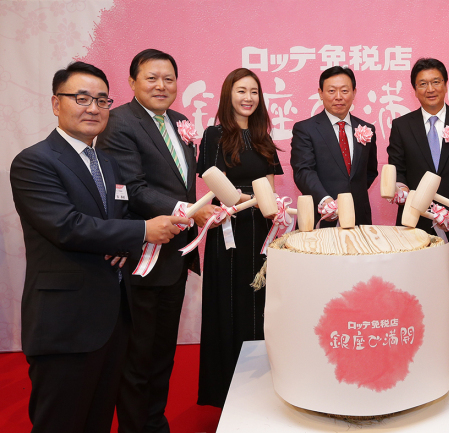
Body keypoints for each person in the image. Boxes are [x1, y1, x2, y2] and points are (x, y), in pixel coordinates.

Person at [10, 61, 187, 433]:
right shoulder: (34, 162)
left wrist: (127, 236)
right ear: (56, 103)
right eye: (81, 98)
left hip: (113, 320)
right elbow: (66, 227)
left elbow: (115, 218)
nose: (92, 108)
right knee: (61, 421)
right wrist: (141, 232)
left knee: (98, 419)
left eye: (102, 100)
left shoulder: (107, 163)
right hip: (65, 324)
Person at [96, 49, 214, 433]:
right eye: (152, 78)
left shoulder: (180, 121)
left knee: (163, 351)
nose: (161, 85)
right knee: (138, 355)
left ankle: (154, 422)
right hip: (142, 254)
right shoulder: (118, 123)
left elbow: (181, 180)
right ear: (132, 82)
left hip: (174, 256)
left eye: (168, 78)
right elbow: (132, 188)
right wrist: (189, 210)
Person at [387, 58, 449, 364]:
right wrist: (400, 188)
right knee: (418, 295)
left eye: (436, 82)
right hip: (418, 226)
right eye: (422, 83)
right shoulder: (401, 126)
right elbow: (397, 169)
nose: (430, 89)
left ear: (446, 84)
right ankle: (422, 357)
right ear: (414, 89)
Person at [196, 68, 283, 407]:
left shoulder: (263, 136)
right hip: (229, 230)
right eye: (241, 91)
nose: (248, 98)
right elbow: (211, 179)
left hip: (261, 230)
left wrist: (274, 215)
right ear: (228, 95)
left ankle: (262, 391)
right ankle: (227, 392)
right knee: (228, 304)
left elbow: (272, 189)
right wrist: (241, 202)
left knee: (260, 304)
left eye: (254, 92)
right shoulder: (214, 134)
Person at [290, 66, 378, 226]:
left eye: (344, 91)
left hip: (359, 218)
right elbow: (303, 171)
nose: (338, 97)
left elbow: (370, 172)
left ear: (354, 93)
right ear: (321, 93)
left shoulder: (367, 129)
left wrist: (353, 193)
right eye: (331, 91)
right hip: (320, 217)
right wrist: (325, 200)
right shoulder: (305, 129)